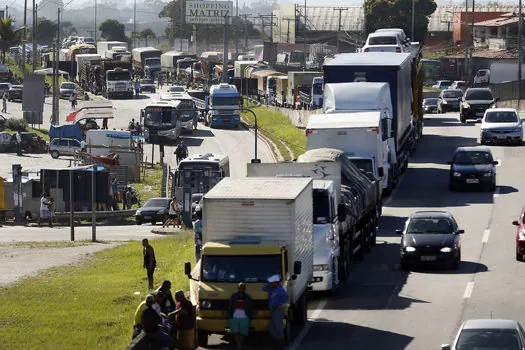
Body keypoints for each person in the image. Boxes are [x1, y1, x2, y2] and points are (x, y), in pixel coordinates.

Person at [263, 275, 289, 348]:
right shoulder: (272, 289)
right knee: (272, 327)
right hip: (273, 310)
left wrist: (281, 305)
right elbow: (263, 288)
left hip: (278, 310)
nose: (270, 283)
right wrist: (269, 283)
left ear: (276, 282)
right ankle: (277, 341)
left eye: (272, 282)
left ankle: (280, 344)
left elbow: (286, 297)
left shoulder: (280, 290)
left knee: (278, 327)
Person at [228, 282, 254, 349]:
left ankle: (240, 344)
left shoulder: (248, 297)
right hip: (235, 316)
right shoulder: (233, 296)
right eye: (240, 287)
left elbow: (250, 308)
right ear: (238, 288)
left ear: (245, 289)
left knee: (242, 333)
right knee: (236, 332)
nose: (241, 289)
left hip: (244, 317)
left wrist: (250, 318)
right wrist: (230, 316)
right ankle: (239, 345)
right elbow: (230, 307)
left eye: (243, 287)